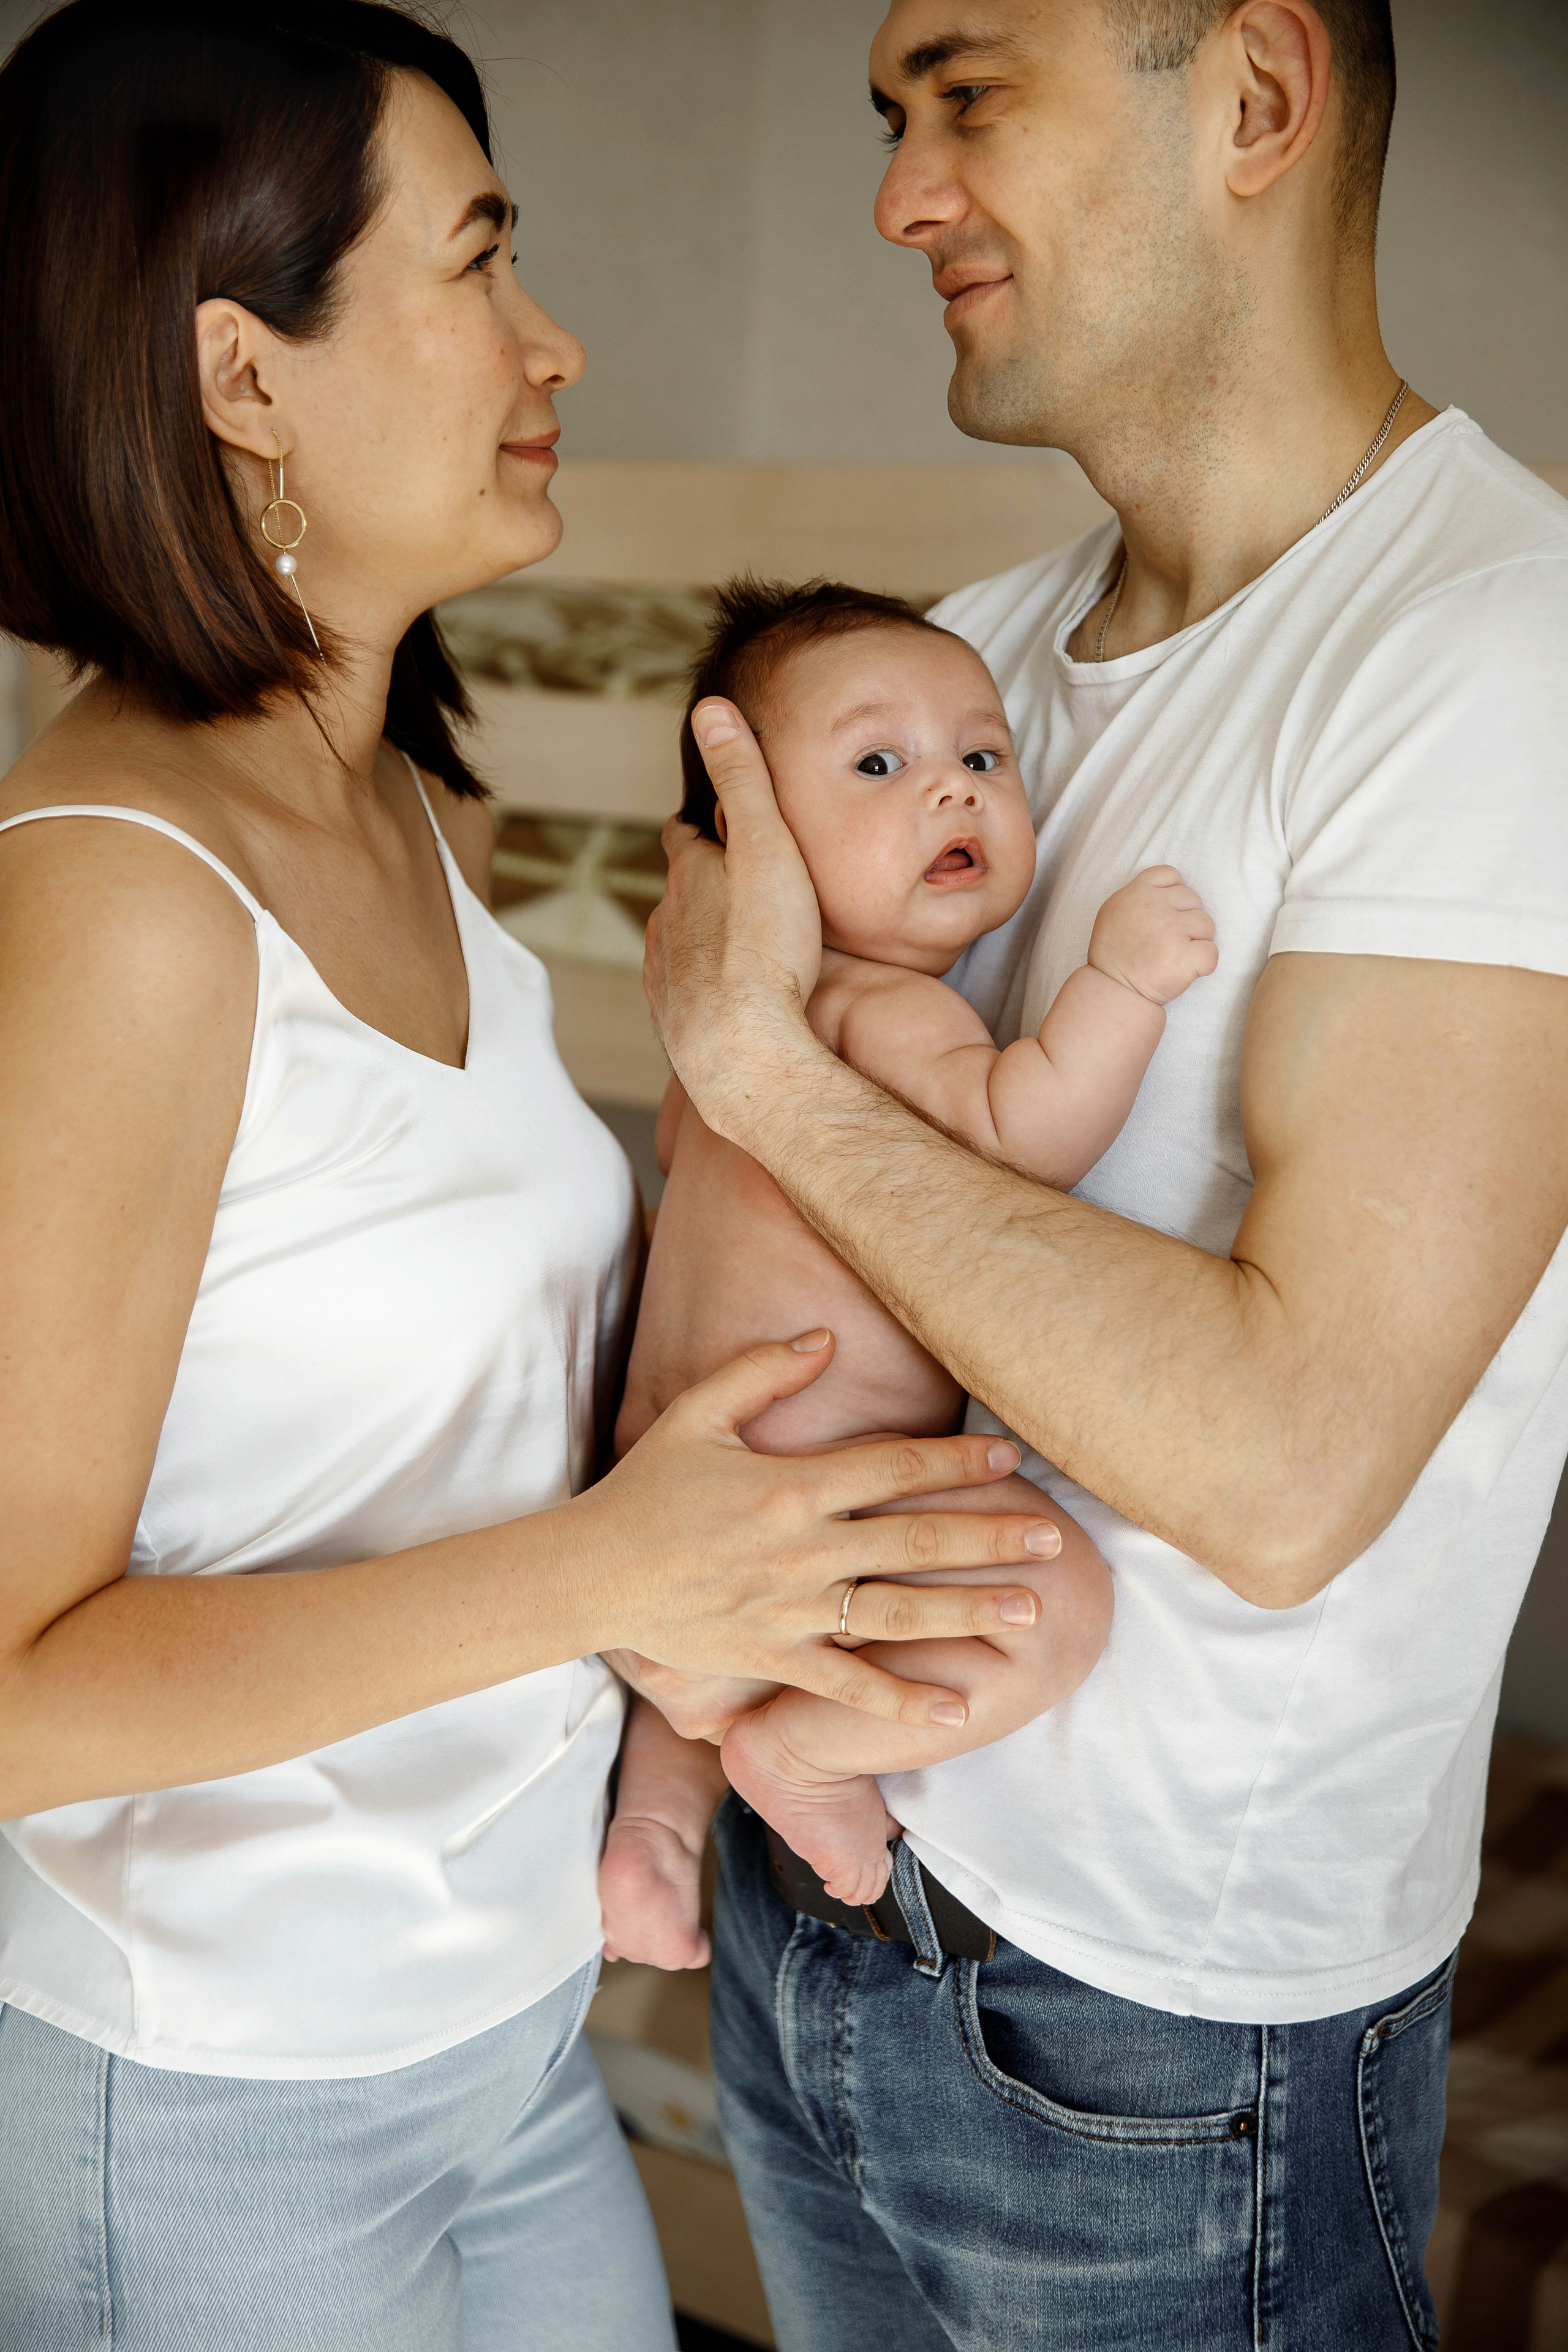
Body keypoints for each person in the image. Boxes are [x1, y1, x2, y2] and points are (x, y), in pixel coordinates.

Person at [0, 8, 1060, 2347]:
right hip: (213, 2104)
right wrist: (612, 1564)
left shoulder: (397, 804)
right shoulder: (115, 901)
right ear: (240, 379)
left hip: (496, 2025)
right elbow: (15, 1692)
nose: (551, 338)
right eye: (478, 257)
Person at [641, 2, 1568, 2346]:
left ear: (1254, 98)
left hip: (1151, 2031)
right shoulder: (968, 659)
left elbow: (1282, 1466)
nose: (901, 196)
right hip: (815, 1886)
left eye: (968, 100)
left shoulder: (1494, 656)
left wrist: (765, 1060)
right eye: (888, 121)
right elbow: (741, 1191)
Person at [601, 575, 1215, 1961]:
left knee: (685, 1687)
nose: (952, 792)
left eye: (981, 757)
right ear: (746, 844)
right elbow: (1026, 1135)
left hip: (649, 1525)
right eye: (879, 763)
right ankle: (807, 1758)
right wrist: (1117, 986)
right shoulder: (883, 1013)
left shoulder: (710, 1049)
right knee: (1052, 1595)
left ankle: (655, 1830)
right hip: (814, 1539)